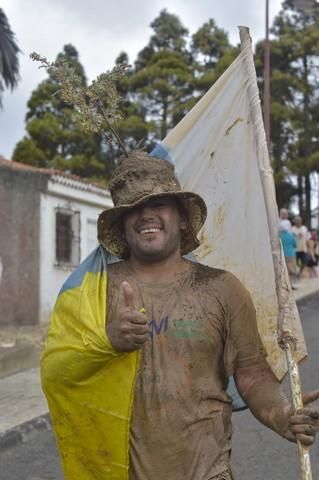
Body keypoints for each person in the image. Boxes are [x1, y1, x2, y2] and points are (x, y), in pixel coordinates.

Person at [41, 152, 319, 480]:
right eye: (133, 208)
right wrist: (107, 342)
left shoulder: (223, 288)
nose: (146, 215)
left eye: (158, 203)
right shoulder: (92, 292)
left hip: (208, 472)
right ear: (120, 224)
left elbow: (252, 373)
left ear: (183, 217)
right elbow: (55, 374)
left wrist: (283, 415)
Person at [279, 220, 298, 289]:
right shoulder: (291, 235)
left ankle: (286, 285)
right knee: (291, 270)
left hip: (283, 254)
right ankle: (291, 284)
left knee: (285, 270)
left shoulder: (279, 236)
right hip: (291, 254)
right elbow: (295, 244)